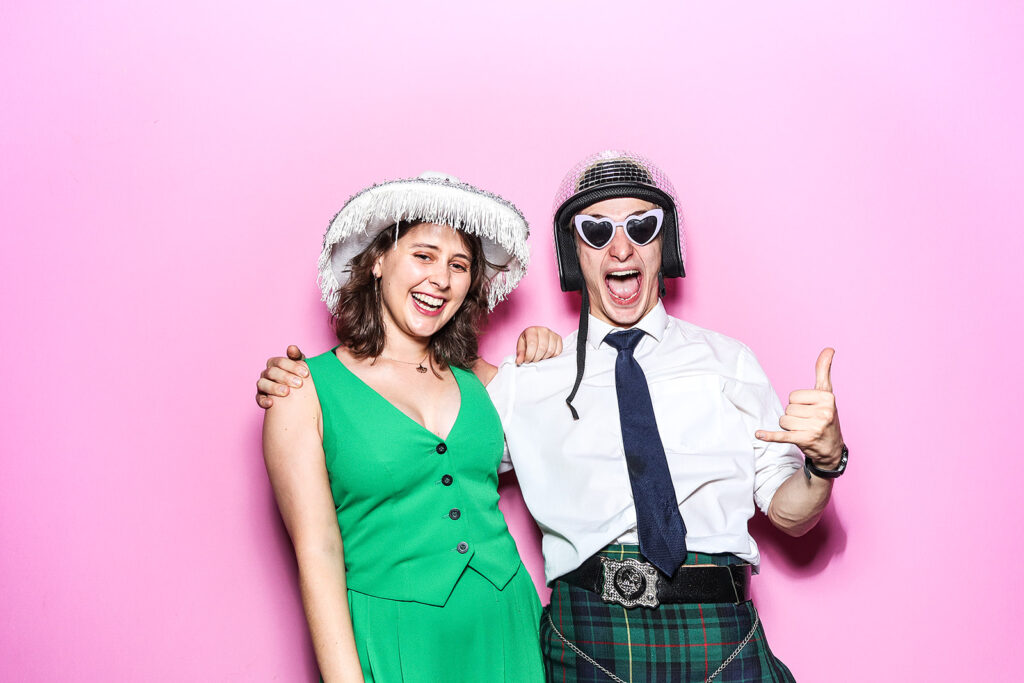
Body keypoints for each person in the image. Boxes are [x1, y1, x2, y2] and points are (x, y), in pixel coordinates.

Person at [260, 152, 847, 682]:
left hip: (716, 629)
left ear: (665, 245)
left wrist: (823, 463)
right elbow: (404, 440)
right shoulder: (528, 379)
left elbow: (791, 515)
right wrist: (302, 386)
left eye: (642, 228)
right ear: (574, 252)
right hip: (587, 637)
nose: (621, 249)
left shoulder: (730, 362)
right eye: (597, 231)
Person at [262, 171, 558, 682]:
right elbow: (318, 551)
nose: (441, 279)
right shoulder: (301, 391)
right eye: (423, 255)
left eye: (459, 265)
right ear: (378, 261)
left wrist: (550, 353)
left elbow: (590, 435)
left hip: (509, 628)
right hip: (397, 639)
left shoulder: (487, 383)